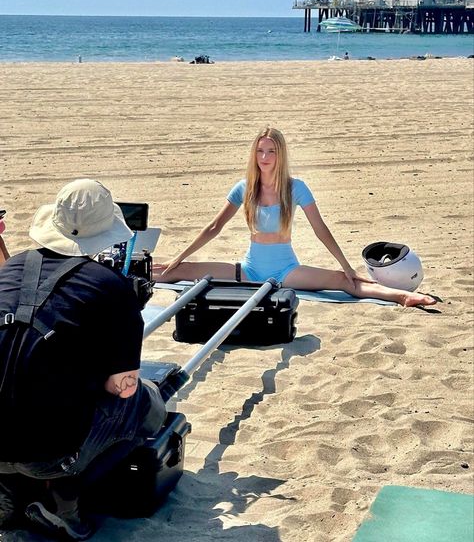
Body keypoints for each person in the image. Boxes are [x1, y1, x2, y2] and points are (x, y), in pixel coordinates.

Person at [0, 179, 166, 540]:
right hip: (48, 454)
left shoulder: (10, 269)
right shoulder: (109, 287)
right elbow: (122, 388)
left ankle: (10, 491)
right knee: (144, 403)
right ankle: (64, 500)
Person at [154, 127, 436, 308]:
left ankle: (402, 296)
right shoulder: (244, 187)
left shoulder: (295, 188)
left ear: (280, 155)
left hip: (286, 270)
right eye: (260, 151)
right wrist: (179, 256)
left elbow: (321, 230)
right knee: (179, 270)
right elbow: (215, 227)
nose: (264, 157)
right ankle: (127, 270)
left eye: (271, 151)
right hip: (249, 270)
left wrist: (347, 266)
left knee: (343, 281)